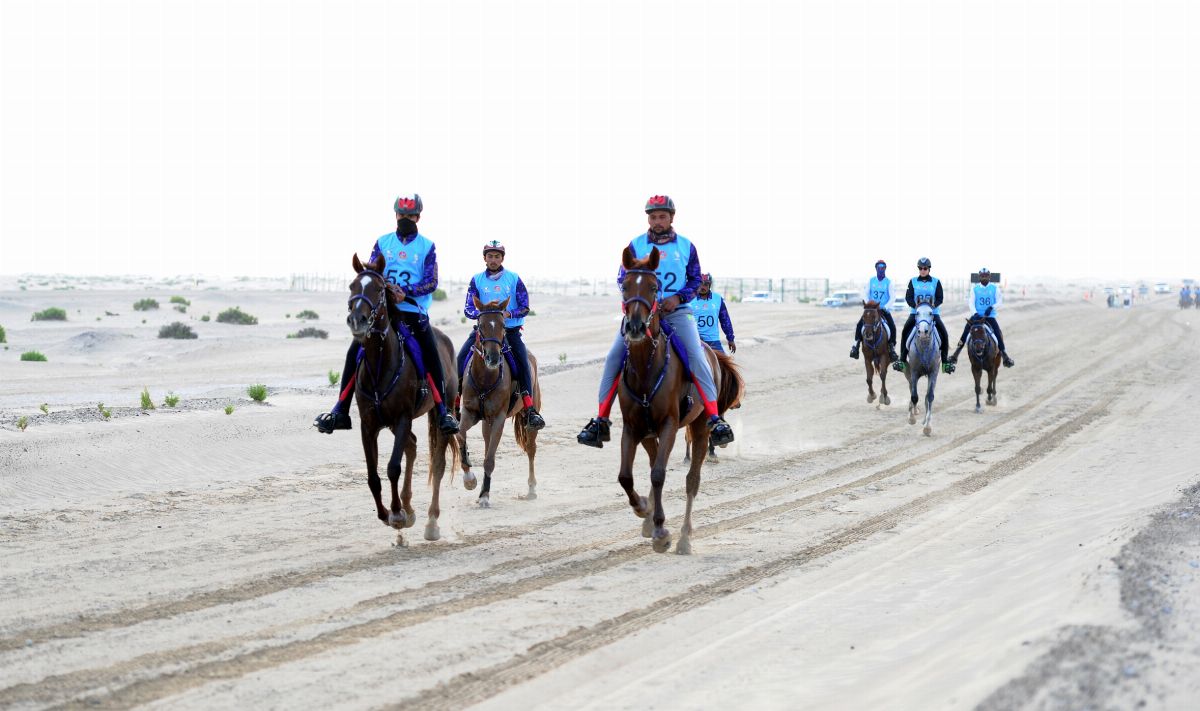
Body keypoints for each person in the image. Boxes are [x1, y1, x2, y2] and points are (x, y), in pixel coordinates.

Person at [576, 195, 735, 448]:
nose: (657, 221)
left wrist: (678, 297)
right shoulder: (635, 245)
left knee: (696, 355)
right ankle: (601, 421)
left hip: (678, 312)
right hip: (642, 314)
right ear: (648, 218)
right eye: (653, 216)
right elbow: (622, 279)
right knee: (613, 357)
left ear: (671, 217)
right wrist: (637, 303)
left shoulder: (686, 246)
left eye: (662, 216)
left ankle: (715, 419)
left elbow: (694, 280)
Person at [314, 194, 460, 435]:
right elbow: (373, 270)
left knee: (431, 351)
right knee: (355, 351)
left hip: (413, 310)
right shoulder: (383, 243)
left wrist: (407, 291)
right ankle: (340, 409)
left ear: (418, 217)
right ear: (396, 215)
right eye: (402, 214)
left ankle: (443, 410)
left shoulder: (427, 246)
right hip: (384, 311)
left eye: (410, 215)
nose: (405, 218)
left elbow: (431, 281)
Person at [455, 240, 546, 430]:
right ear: (484, 258)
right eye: (490, 256)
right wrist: (484, 313)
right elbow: (468, 308)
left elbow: (525, 306)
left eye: (497, 256)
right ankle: (454, 406)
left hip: (509, 332)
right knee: (460, 360)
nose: (493, 260)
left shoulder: (513, 278)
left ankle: (529, 409)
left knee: (523, 365)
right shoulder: (477, 279)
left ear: (502, 258)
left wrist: (508, 314)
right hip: (483, 332)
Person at [893, 256, 954, 374]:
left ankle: (945, 362)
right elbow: (908, 297)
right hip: (916, 313)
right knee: (905, 331)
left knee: (944, 333)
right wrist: (915, 306)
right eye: (920, 268)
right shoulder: (913, 281)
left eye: (925, 268)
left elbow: (940, 298)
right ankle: (902, 360)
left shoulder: (936, 282)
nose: (923, 270)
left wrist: (933, 306)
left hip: (932, 313)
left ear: (929, 269)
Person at [949, 267, 1015, 368]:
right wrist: (975, 313)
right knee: (966, 331)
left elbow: (999, 301)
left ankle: (1005, 356)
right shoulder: (975, 288)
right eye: (982, 276)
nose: (984, 278)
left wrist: (991, 307)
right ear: (979, 277)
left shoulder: (994, 288)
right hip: (977, 315)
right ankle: (956, 354)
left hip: (989, 316)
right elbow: (971, 302)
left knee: (997, 332)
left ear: (989, 277)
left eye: (986, 276)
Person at [849, 259, 899, 362]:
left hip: (883, 309)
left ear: (885, 268)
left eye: (883, 267)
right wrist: (868, 304)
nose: (881, 269)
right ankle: (856, 346)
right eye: (879, 267)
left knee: (892, 327)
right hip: (871, 310)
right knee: (859, 325)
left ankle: (892, 349)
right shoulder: (871, 281)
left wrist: (886, 306)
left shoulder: (888, 282)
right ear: (876, 268)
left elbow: (893, 297)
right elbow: (865, 293)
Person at [692, 273, 736, 354]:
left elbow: (725, 320)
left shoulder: (718, 299)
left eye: (706, 284)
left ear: (710, 285)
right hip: (694, 340)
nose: (703, 287)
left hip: (713, 340)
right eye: (700, 283)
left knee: (724, 365)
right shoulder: (690, 299)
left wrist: (730, 339)